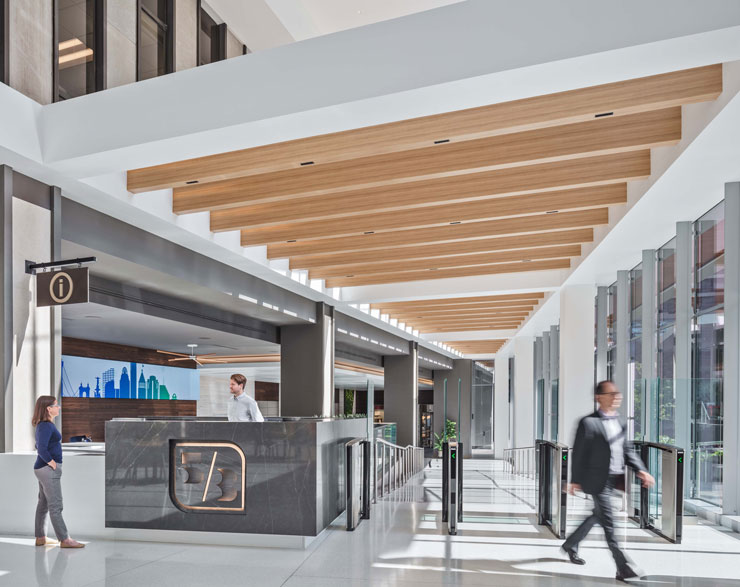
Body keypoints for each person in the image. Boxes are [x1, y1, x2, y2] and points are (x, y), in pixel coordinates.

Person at [561, 380, 654, 582]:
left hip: (614, 479)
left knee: (598, 516)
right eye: (611, 394)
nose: (616, 397)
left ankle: (570, 544)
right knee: (609, 522)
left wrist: (642, 470)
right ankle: (622, 566)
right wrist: (574, 480)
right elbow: (579, 453)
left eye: (617, 393)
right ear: (599, 397)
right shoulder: (587, 422)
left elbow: (627, 449)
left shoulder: (620, 421)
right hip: (596, 480)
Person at [32, 396, 84, 548]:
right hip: (47, 470)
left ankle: (40, 537)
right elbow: (40, 447)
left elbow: (39, 444)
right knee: (56, 505)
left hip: (42, 469)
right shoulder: (46, 425)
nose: (59, 407)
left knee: (43, 504)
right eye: (56, 405)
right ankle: (65, 540)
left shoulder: (44, 425)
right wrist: (52, 463)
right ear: (48, 409)